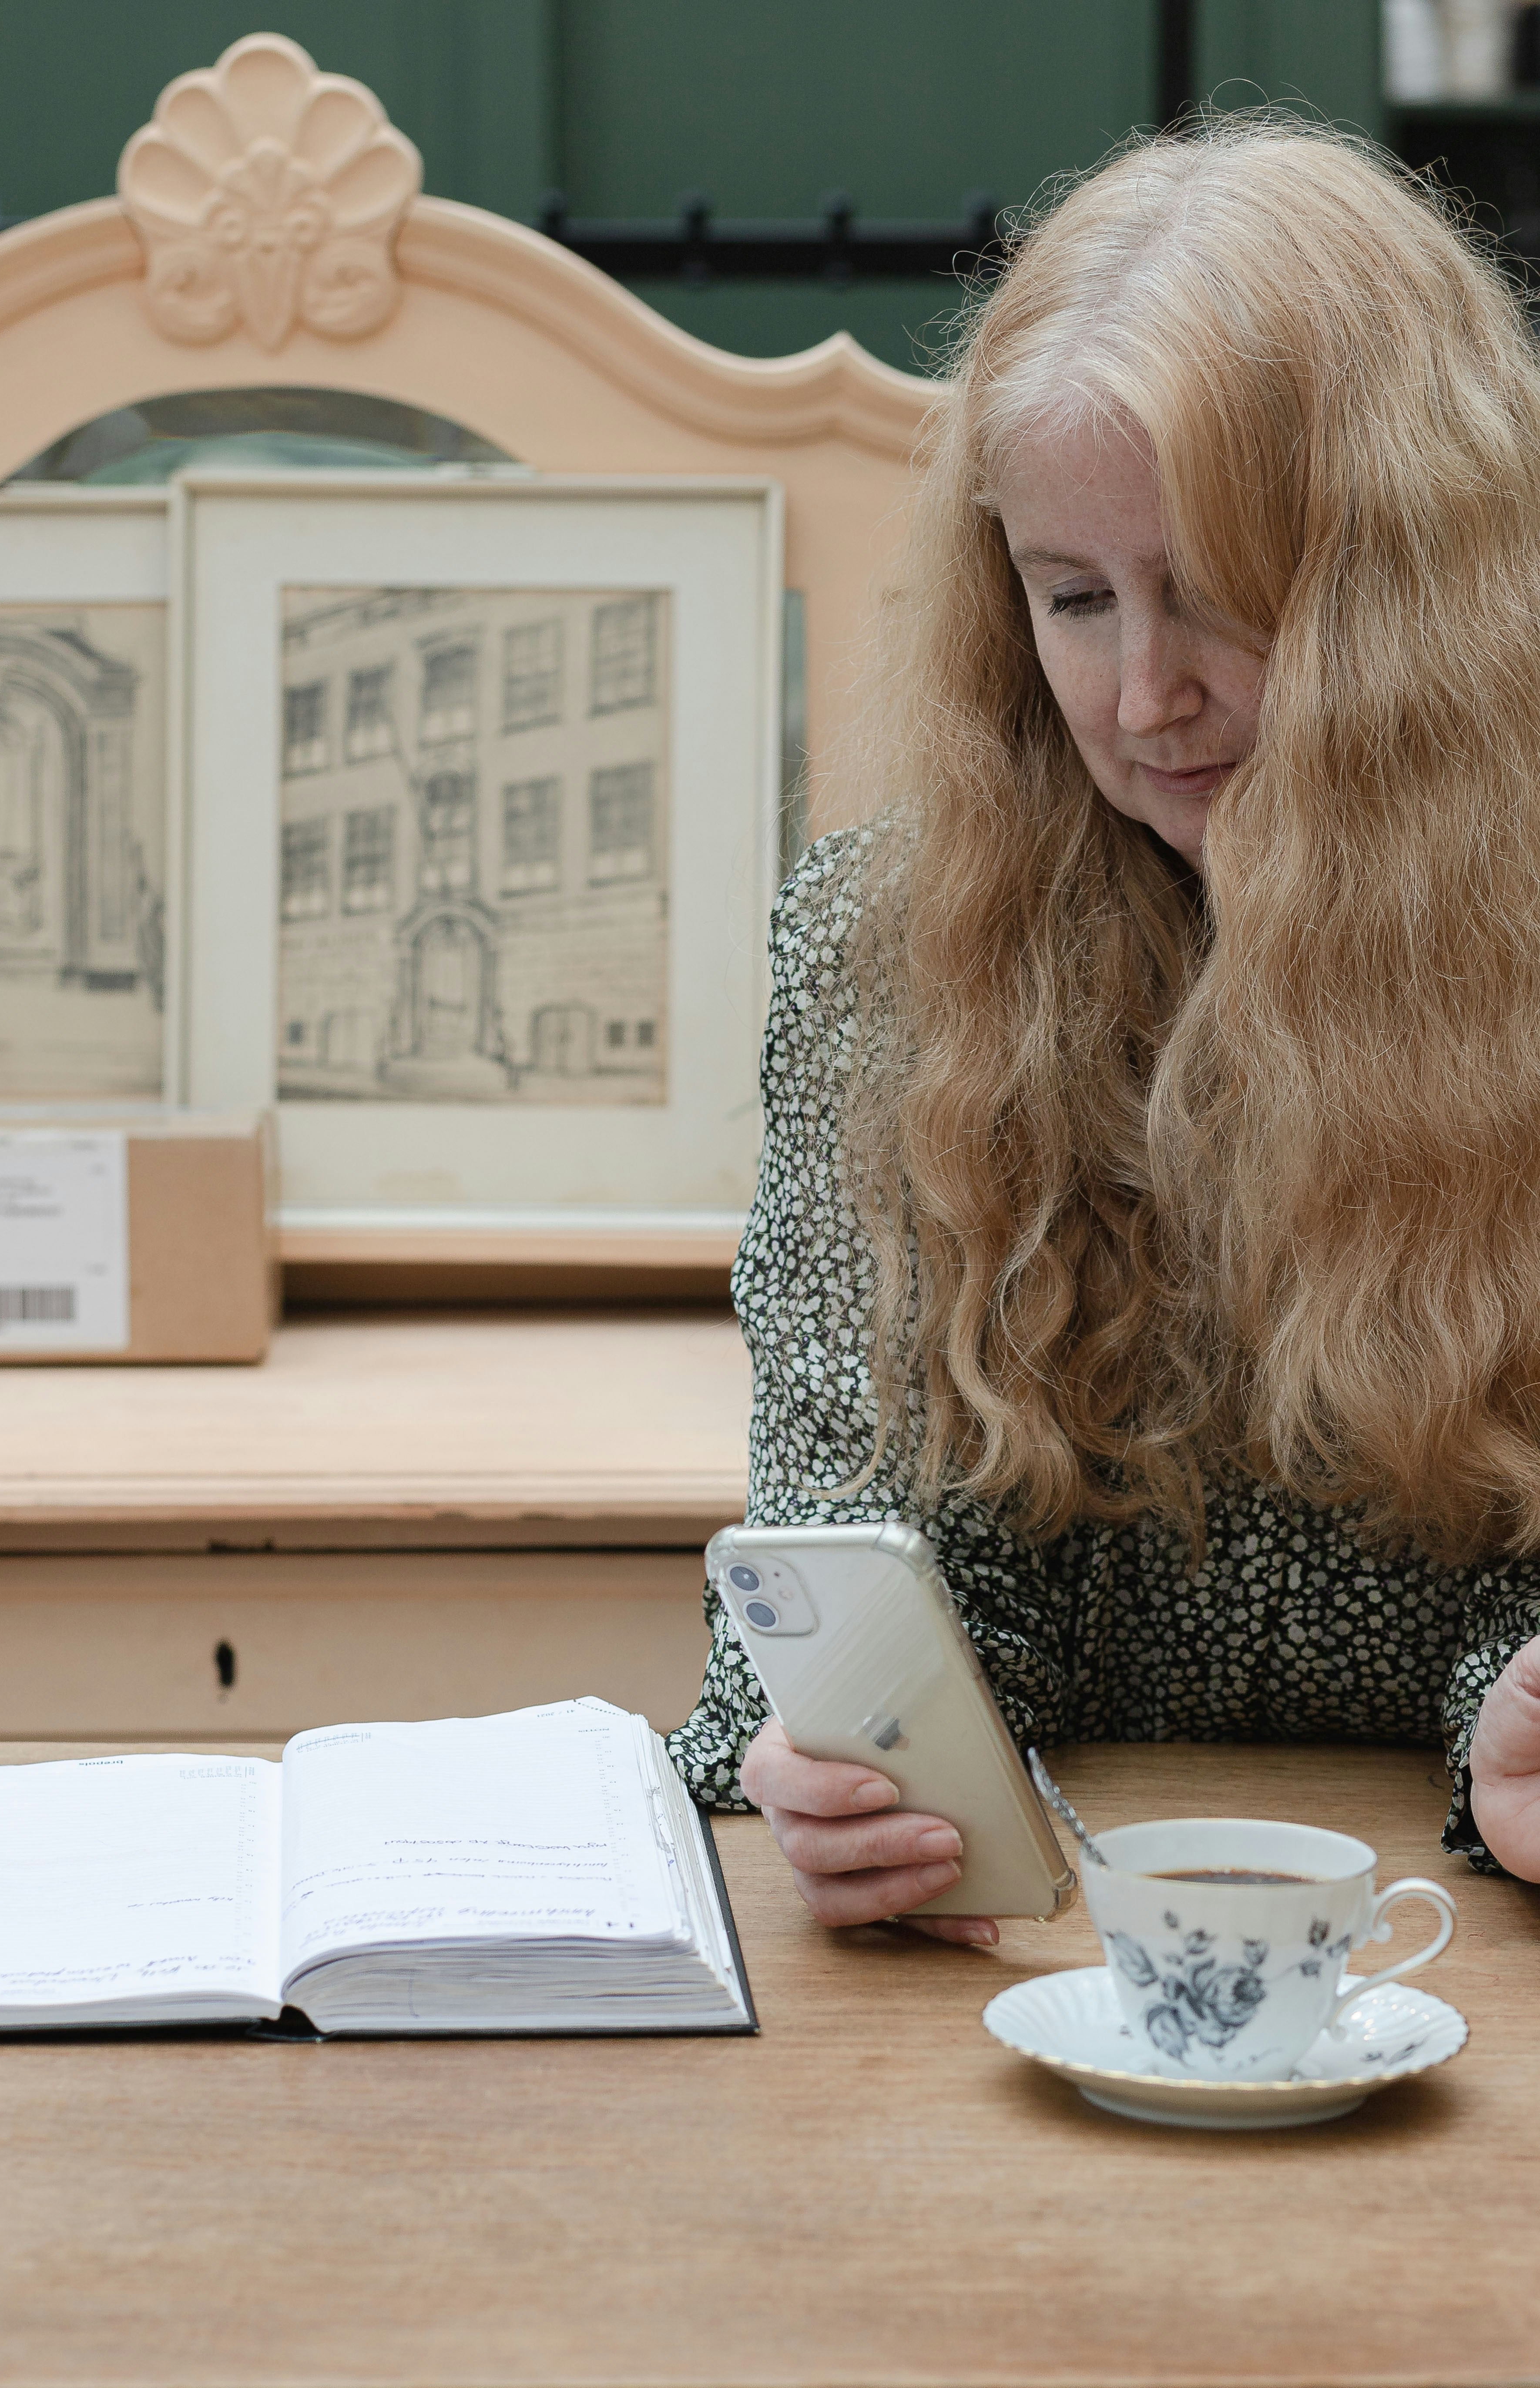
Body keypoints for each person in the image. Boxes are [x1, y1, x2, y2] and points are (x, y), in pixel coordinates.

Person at [666, 116, 1540, 1943]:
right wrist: (848, 1769)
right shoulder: (890, 949)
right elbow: (865, 1535)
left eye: (1214, 588)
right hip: (1040, 1958)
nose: (1145, 696)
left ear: (1416, 591)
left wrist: (1523, 1706)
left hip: (1471, 1951)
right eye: (1074, 598)